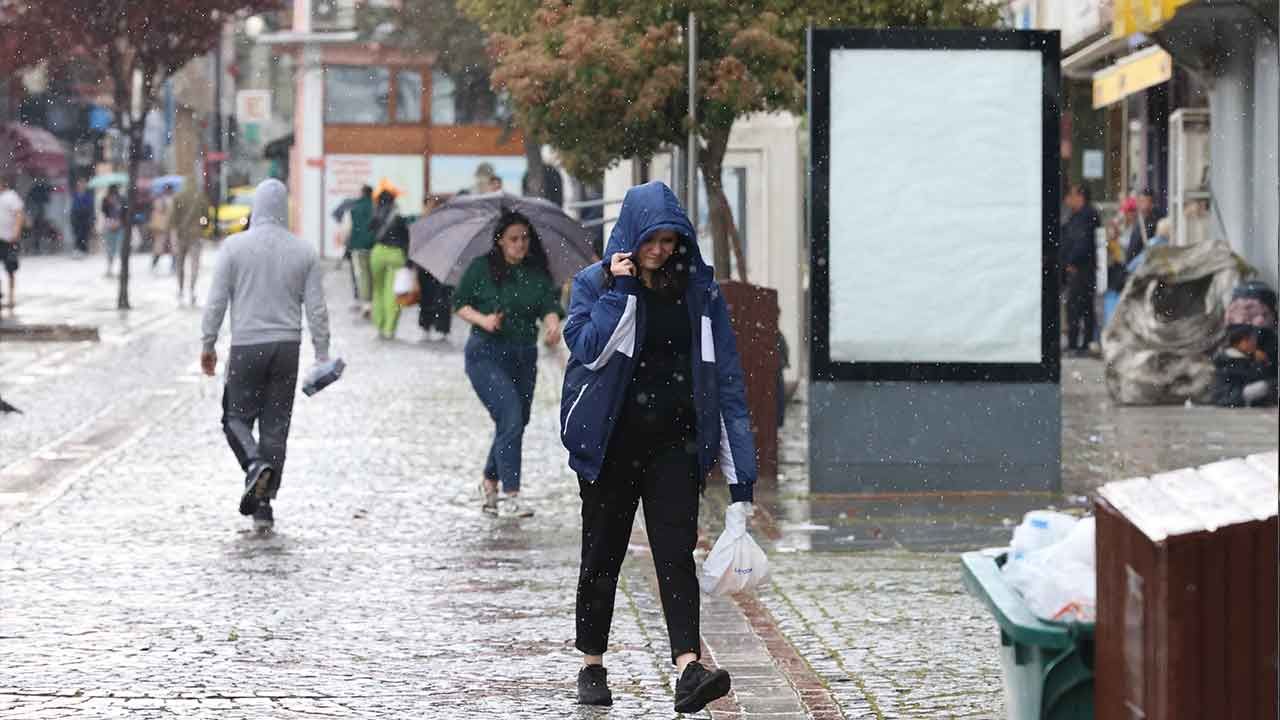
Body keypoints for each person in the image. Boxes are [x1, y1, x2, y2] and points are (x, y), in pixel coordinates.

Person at [560, 181, 755, 712]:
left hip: (676, 444)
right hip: (612, 444)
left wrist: (743, 479)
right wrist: (618, 289)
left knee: (675, 556)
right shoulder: (594, 284)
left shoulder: (699, 291)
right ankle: (592, 663)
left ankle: (688, 668)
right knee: (603, 554)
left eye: (670, 241)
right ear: (632, 236)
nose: (661, 250)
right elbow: (588, 350)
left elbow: (727, 381)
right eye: (652, 239)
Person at [200, 179, 331, 531]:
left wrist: (208, 343)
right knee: (276, 427)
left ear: (255, 208)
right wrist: (322, 353)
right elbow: (316, 308)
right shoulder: (303, 251)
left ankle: (254, 465)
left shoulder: (233, 248)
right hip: (288, 347)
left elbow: (216, 301)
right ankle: (264, 506)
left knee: (235, 419)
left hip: (246, 345)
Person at [453, 210, 564, 518]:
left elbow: (549, 307)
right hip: (485, 355)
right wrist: (484, 320)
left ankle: (489, 481)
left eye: (525, 238)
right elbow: (459, 303)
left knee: (514, 422)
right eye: (514, 239)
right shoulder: (481, 268)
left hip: (523, 357)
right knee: (511, 416)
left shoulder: (536, 273)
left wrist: (553, 326)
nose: (520, 244)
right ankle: (511, 495)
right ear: (500, 240)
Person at [1060, 184, 1101, 356]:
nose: (1068, 199)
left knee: (1079, 306)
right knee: (1079, 306)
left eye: (1071, 195)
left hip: (1082, 269)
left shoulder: (1087, 215)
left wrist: (1072, 261)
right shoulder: (1076, 215)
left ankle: (1079, 344)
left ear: (1080, 197)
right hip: (1077, 268)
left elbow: (1082, 242)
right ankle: (1079, 343)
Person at [369, 190, 410, 340]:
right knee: (392, 293)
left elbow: (370, 231)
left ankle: (379, 324)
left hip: (378, 253)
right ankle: (389, 329)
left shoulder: (376, 215)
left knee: (378, 291)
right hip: (395, 255)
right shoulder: (398, 217)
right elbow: (406, 238)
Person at [415, 194, 452, 342]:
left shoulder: (446, 222)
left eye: (433, 204)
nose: (430, 207)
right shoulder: (421, 222)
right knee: (426, 297)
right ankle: (426, 326)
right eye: (428, 204)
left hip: (442, 265)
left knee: (443, 298)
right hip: (425, 265)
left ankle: (442, 329)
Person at [1211, 325, 1276, 407]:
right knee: (1268, 385)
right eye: (1249, 340)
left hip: (1234, 395)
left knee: (1270, 384)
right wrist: (1261, 362)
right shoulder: (1230, 358)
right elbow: (1253, 376)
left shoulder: (1240, 357)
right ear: (1238, 343)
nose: (1253, 344)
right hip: (1229, 396)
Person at [172, 179, 210, 305]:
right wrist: (203, 226)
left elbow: (173, 219)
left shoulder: (178, 197)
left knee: (180, 264)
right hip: (196, 234)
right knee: (195, 265)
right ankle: (192, 290)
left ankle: (181, 289)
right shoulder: (200, 197)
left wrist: (175, 235)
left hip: (181, 235)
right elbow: (206, 217)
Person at [346, 186, 376, 316]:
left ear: (362, 193)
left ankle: (366, 303)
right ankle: (374, 301)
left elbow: (348, 228)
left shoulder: (354, 208)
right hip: (374, 245)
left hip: (358, 246)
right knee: (373, 274)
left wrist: (349, 243)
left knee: (362, 275)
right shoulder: (375, 207)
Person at [0, 175, 24, 309]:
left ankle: (11, 297)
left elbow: (19, 214)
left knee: (10, 269)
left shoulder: (11, 196)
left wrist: (16, 232)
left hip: (9, 239)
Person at [1124, 188, 1159, 266]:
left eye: (1145, 201)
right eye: (1141, 201)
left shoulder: (1154, 220)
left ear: (1151, 203)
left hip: (1145, 264)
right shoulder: (1139, 218)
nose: (1143, 205)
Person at [101, 185, 125, 277]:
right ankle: (110, 268)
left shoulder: (122, 199)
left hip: (120, 226)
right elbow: (104, 211)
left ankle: (121, 269)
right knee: (110, 249)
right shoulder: (105, 200)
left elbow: (124, 212)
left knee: (119, 248)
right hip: (109, 226)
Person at [149, 185, 175, 272]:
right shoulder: (161, 200)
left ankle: (173, 265)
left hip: (170, 226)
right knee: (160, 246)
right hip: (163, 226)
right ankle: (155, 263)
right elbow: (157, 211)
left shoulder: (172, 199)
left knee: (172, 246)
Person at [70, 177, 95, 257]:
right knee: (77, 234)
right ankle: (78, 249)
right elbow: (73, 207)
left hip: (85, 217)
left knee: (84, 234)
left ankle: (83, 250)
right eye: (80, 184)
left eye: (83, 184)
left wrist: (91, 218)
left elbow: (90, 207)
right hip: (76, 217)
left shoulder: (88, 195)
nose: (81, 185)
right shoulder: (75, 195)